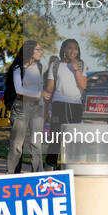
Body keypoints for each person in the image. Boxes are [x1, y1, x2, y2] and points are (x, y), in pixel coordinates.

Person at [6, 40, 51, 174]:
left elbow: (39, 87)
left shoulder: (39, 67)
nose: (40, 53)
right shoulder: (18, 69)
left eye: (41, 50)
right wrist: (39, 94)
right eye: (38, 50)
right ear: (30, 51)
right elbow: (19, 90)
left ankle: (38, 174)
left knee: (36, 144)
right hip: (21, 108)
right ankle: (11, 174)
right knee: (17, 145)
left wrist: (44, 107)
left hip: (37, 108)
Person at [44, 39, 87, 171]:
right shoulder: (55, 65)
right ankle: (50, 166)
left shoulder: (81, 65)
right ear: (64, 49)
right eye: (69, 48)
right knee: (56, 137)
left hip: (75, 105)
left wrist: (76, 70)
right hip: (59, 105)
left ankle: (69, 166)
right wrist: (46, 110)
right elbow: (49, 89)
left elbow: (83, 86)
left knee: (73, 138)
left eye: (75, 48)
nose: (73, 51)